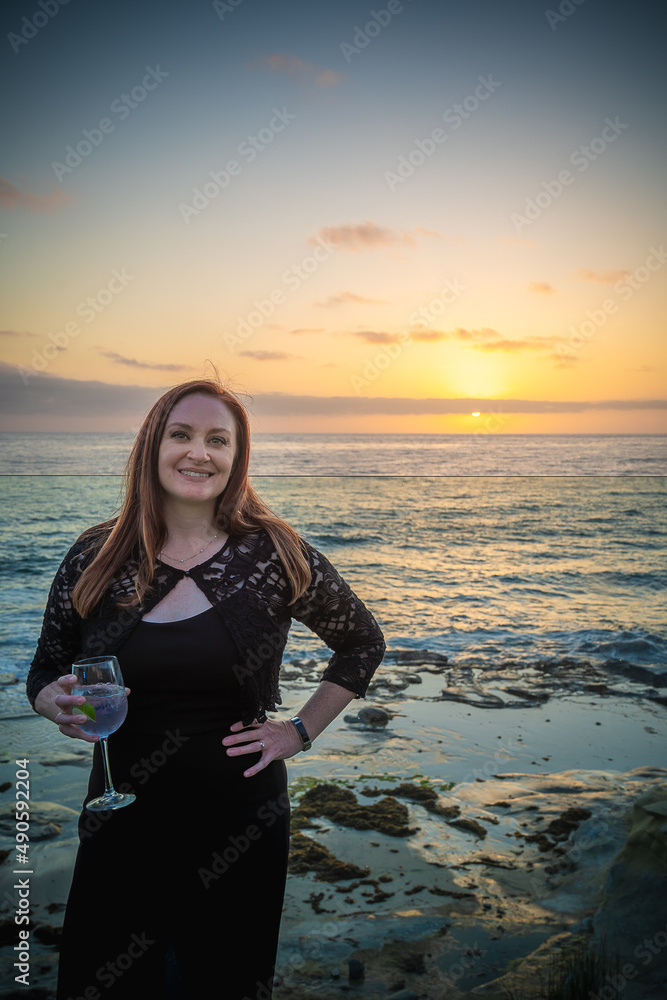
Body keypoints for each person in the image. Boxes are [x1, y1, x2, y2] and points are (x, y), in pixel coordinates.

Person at [26, 377, 385, 1000]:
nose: (200, 452)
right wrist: (51, 703)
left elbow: (362, 643)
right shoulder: (96, 555)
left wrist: (298, 732)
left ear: (236, 457)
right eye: (182, 435)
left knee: (224, 982)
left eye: (219, 440)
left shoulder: (274, 553)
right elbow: (44, 669)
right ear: (153, 446)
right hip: (120, 815)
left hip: (240, 820)